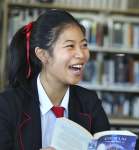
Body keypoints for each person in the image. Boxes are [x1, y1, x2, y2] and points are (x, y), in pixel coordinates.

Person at [0, 10, 110, 150]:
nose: (82, 54)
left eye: (84, 45)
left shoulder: (90, 103)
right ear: (43, 55)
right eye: (70, 46)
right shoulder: (7, 106)